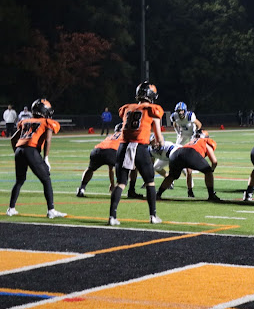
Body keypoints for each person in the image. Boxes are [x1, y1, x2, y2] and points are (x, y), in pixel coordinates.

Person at [108, 81, 165, 226]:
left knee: (121, 183)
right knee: (150, 181)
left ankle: (112, 217)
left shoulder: (127, 108)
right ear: (151, 96)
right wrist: (160, 143)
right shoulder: (153, 109)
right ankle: (153, 216)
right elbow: (158, 136)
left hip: (123, 146)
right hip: (139, 147)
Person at [7, 99, 67, 218]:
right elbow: (48, 139)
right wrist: (46, 158)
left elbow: (13, 139)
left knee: (19, 180)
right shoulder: (46, 122)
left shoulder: (25, 121)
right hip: (31, 149)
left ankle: (11, 208)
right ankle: (51, 210)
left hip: (19, 150)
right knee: (46, 179)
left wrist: (19, 152)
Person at [76, 123, 142, 198]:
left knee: (90, 169)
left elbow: (110, 167)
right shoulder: (125, 135)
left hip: (97, 150)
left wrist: (112, 183)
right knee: (133, 167)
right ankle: (130, 190)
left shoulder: (110, 136)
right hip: (112, 151)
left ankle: (81, 188)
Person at [156, 129, 220, 201]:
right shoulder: (205, 141)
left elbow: (188, 170)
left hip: (177, 153)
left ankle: (158, 194)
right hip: (191, 153)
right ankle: (211, 195)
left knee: (171, 176)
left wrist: (190, 190)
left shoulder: (190, 142)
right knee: (208, 171)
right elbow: (214, 162)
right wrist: (212, 170)